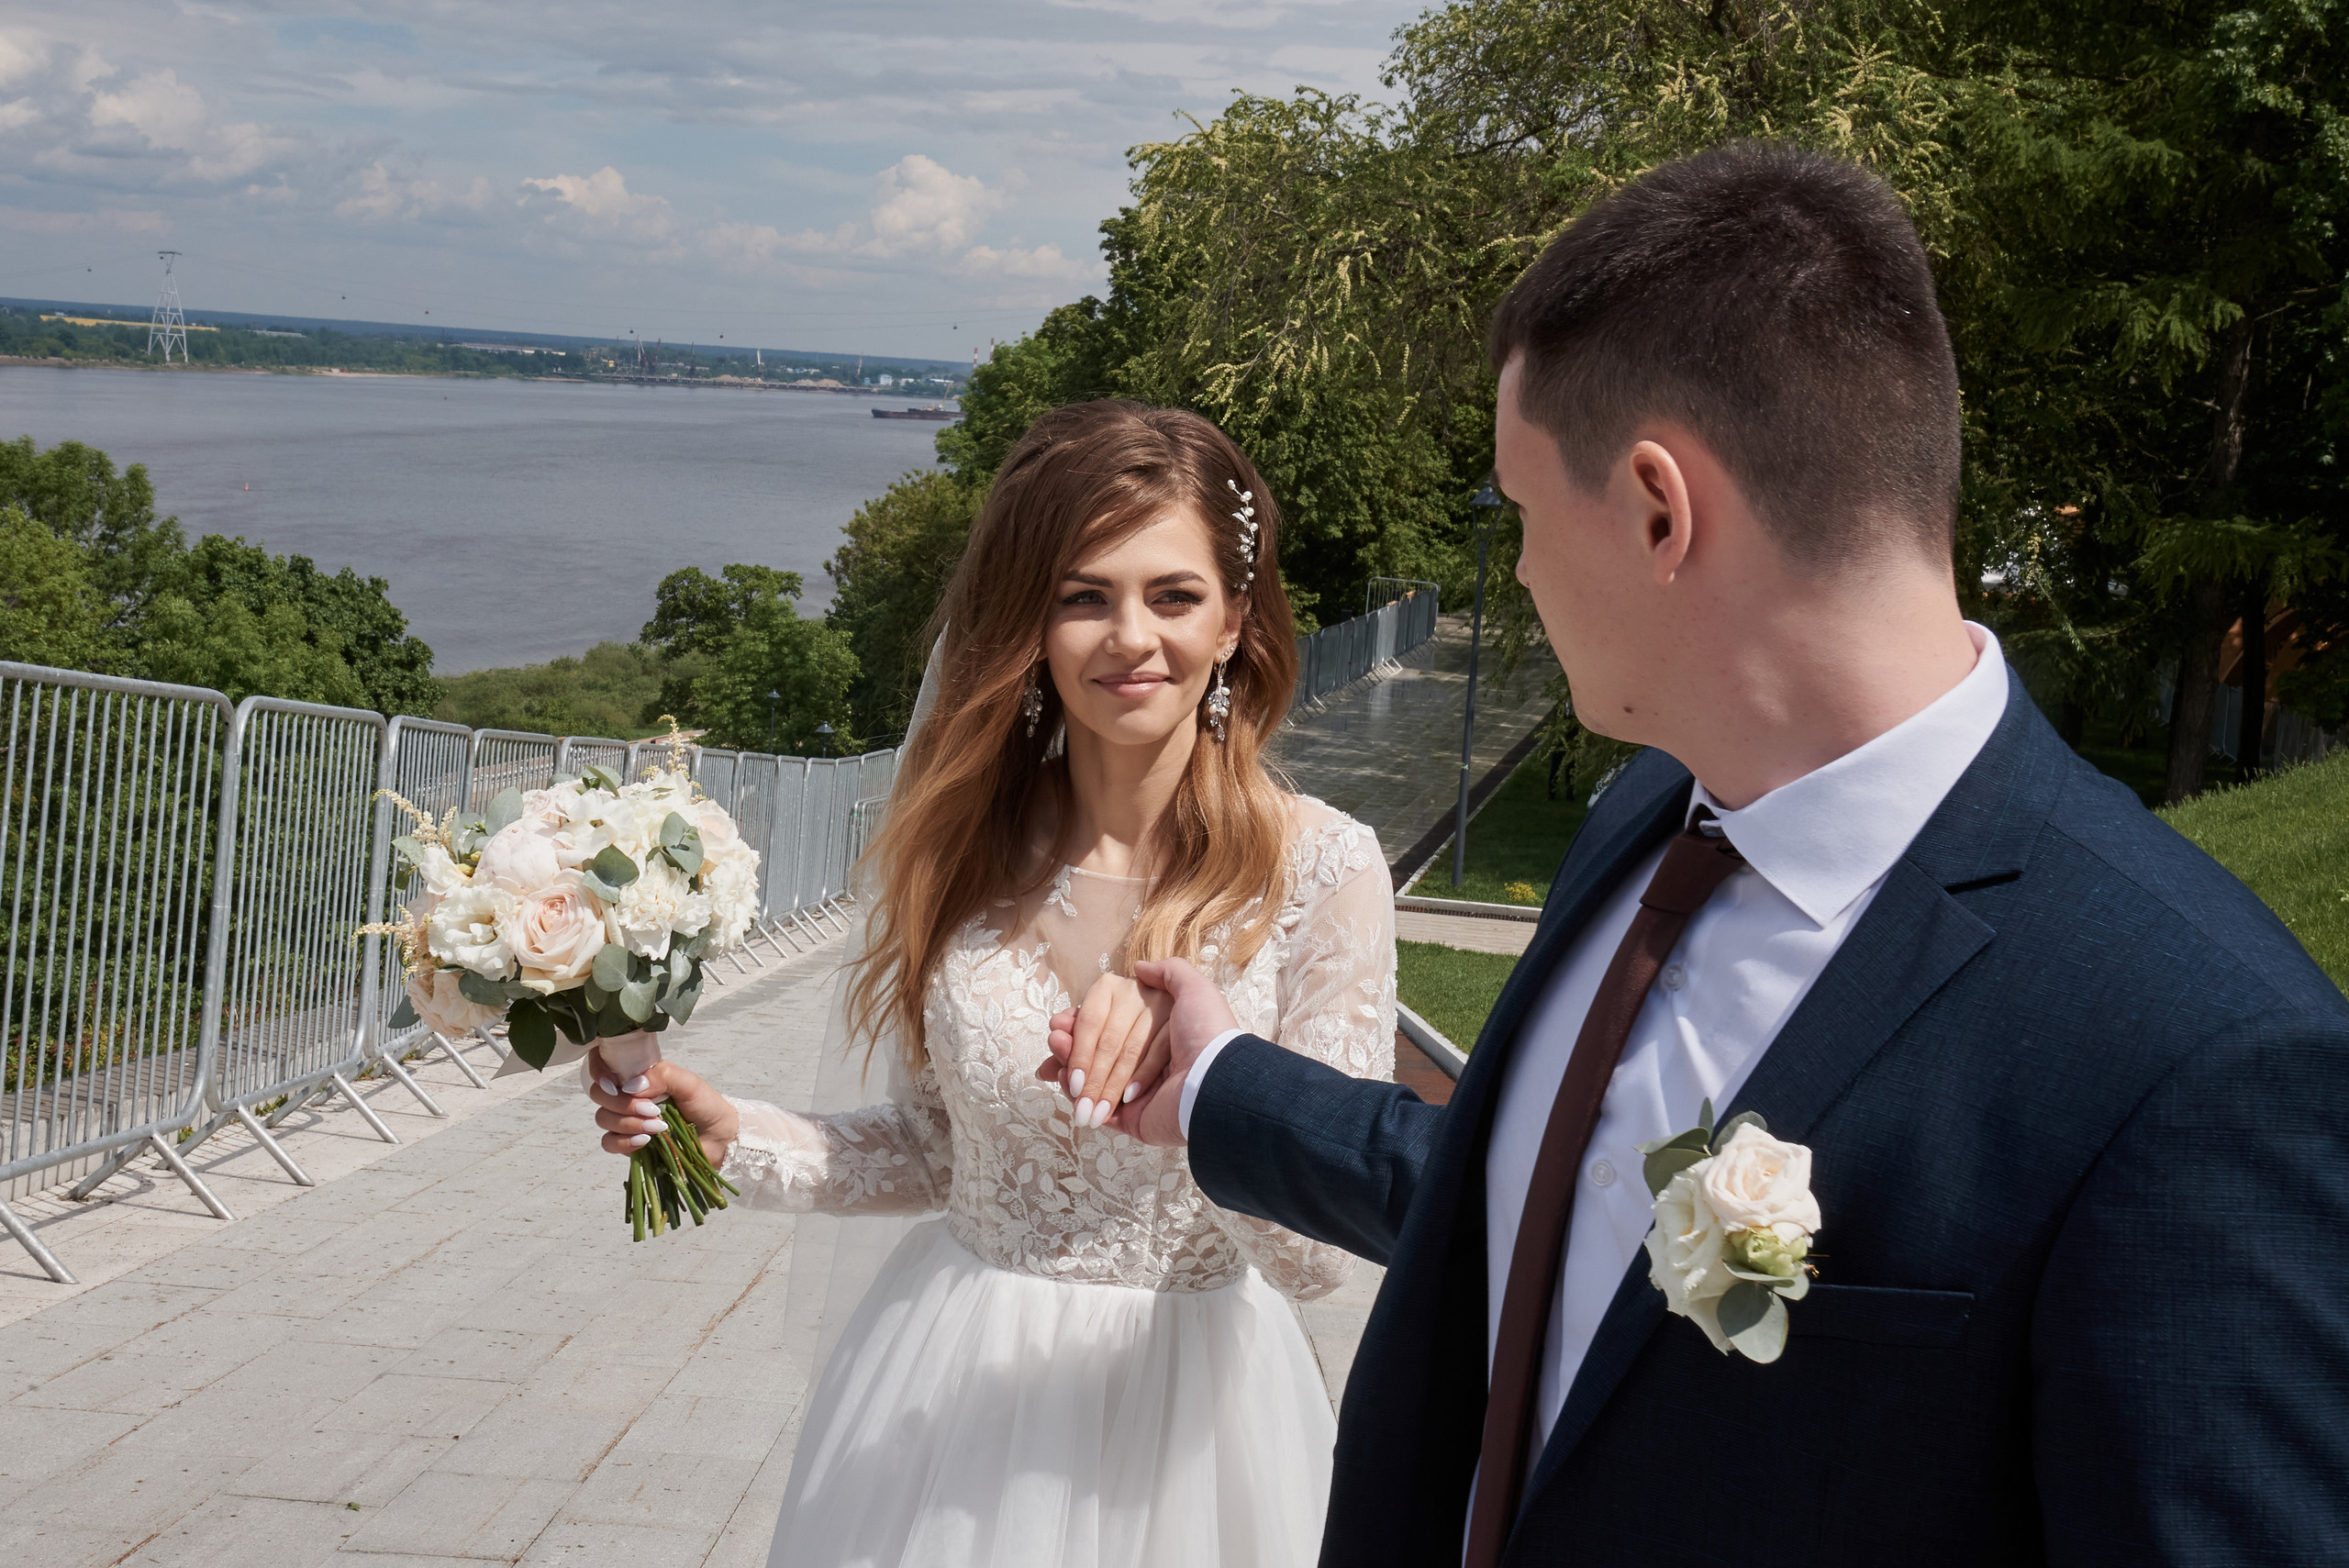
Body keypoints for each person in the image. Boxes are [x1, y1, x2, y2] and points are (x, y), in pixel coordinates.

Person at [1054, 142, 2349, 1564]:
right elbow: (1555, 1205)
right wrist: (1225, 1085)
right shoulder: (1650, 823)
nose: (1526, 568)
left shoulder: (2202, 1059)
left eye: (1524, 510)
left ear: (1662, 510)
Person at [587, 400, 1397, 1567]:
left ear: (1232, 623)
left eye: (1172, 595)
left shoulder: (1324, 867)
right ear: (1033, 622)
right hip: (956, 1389)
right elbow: (938, 1151)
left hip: (1195, 1427)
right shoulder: (960, 852)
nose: (1130, 636)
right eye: (1083, 595)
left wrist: (1207, 1087)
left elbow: (1320, 1257)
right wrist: (733, 1137)